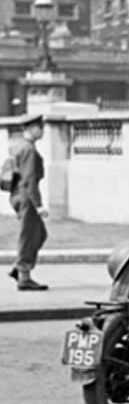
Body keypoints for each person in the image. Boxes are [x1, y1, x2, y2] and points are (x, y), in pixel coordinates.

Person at [8, 114, 48, 290]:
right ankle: (24, 275)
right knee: (30, 235)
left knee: (39, 233)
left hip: (19, 194)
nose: (42, 131)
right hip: (26, 196)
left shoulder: (19, 146)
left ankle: (20, 268)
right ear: (33, 129)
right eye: (40, 128)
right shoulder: (29, 150)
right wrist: (38, 205)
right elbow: (29, 180)